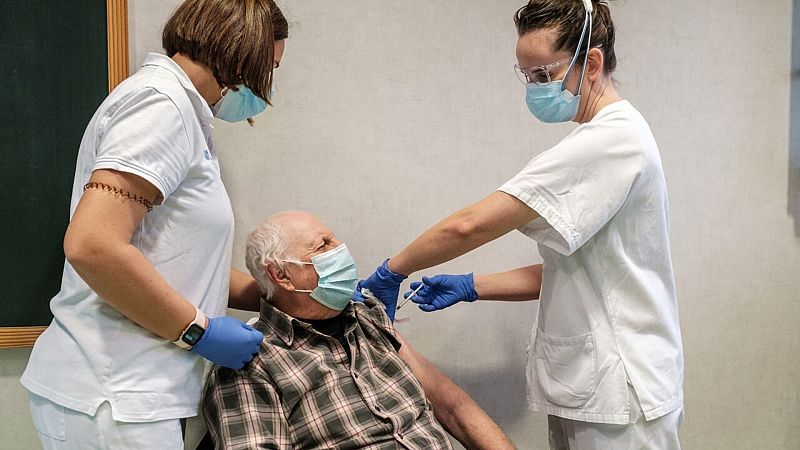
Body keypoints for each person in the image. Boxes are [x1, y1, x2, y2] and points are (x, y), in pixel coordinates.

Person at [357, 0, 684, 449]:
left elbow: (471, 225)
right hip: (595, 389)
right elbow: (582, 270)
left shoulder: (611, 140)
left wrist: (393, 270)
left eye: (543, 75)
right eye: (527, 77)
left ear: (591, 62)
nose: (534, 88)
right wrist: (472, 285)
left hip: (620, 393)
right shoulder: (609, 138)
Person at [20, 1, 289, 448]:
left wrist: (284, 295)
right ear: (244, 51)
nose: (268, 85)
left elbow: (172, 260)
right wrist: (197, 330)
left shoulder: (180, 110)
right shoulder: (161, 106)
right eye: (271, 66)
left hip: (133, 390)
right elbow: (92, 245)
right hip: (115, 391)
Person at [201, 210, 516, 450]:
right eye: (323, 246)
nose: (340, 250)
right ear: (280, 275)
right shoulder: (250, 363)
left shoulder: (367, 317)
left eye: (334, 239)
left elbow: (455, 408)